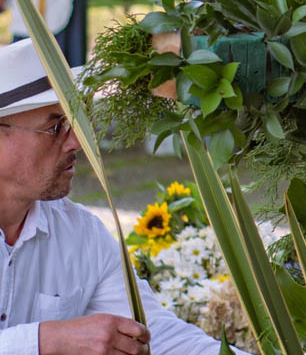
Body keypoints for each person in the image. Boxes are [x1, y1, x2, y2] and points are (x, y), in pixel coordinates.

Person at [0, 39, 249, 355]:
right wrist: (45, 341)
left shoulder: (82, 235)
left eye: (74, 122)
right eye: (55, 126)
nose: (77, 141)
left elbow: (158, 337)